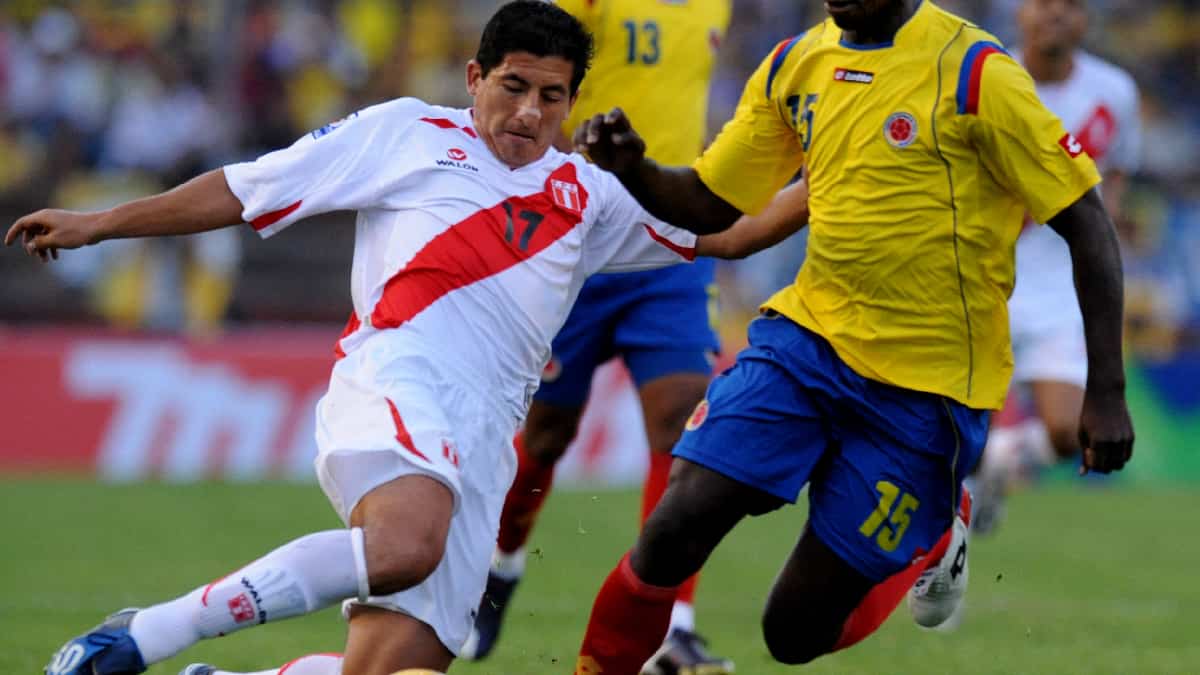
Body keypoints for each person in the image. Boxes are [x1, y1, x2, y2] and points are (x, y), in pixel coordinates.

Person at [11, 4, 805, 675]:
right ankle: (147, 633)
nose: (529, 112)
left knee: (390, 668)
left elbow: (732, 234)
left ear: (573, 101)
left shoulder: (592, 195)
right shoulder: (406, 132)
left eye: (551, 96)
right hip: (399, 380)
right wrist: (102, 223)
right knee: (404, 544)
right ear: (474, 77)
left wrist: (831, 173)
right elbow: (247, 188)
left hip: (485, 442)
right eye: (514, 86)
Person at [569, 0, 1135, 671]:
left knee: (792, 634)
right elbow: (713, 201)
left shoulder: (976, 72)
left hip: (927, 393)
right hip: (806, 345)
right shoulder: (795, 62)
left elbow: (1087, 220)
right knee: (673, 529)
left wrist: (1107, 391)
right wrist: (635, 169)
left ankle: (935, 532)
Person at [462, 0, 746, 671]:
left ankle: (671, 627)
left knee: (681, 420)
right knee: (545, 435)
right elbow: (539, 60)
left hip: (670, 238)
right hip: (579, 231)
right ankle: (500, 565)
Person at [971, 0, 1142, 535]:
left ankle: (998, 463)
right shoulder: (987, 79)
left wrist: (1102, 243)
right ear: (1021, 13)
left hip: (1065, 286)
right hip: (987, 276)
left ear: (1085, 19)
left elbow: (1116, 175)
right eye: (1044, 3)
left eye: (1070, 5)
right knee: (953, 428)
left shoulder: (1114, 91)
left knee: (1071, 432)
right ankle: (950, 526)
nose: (1056, 15)